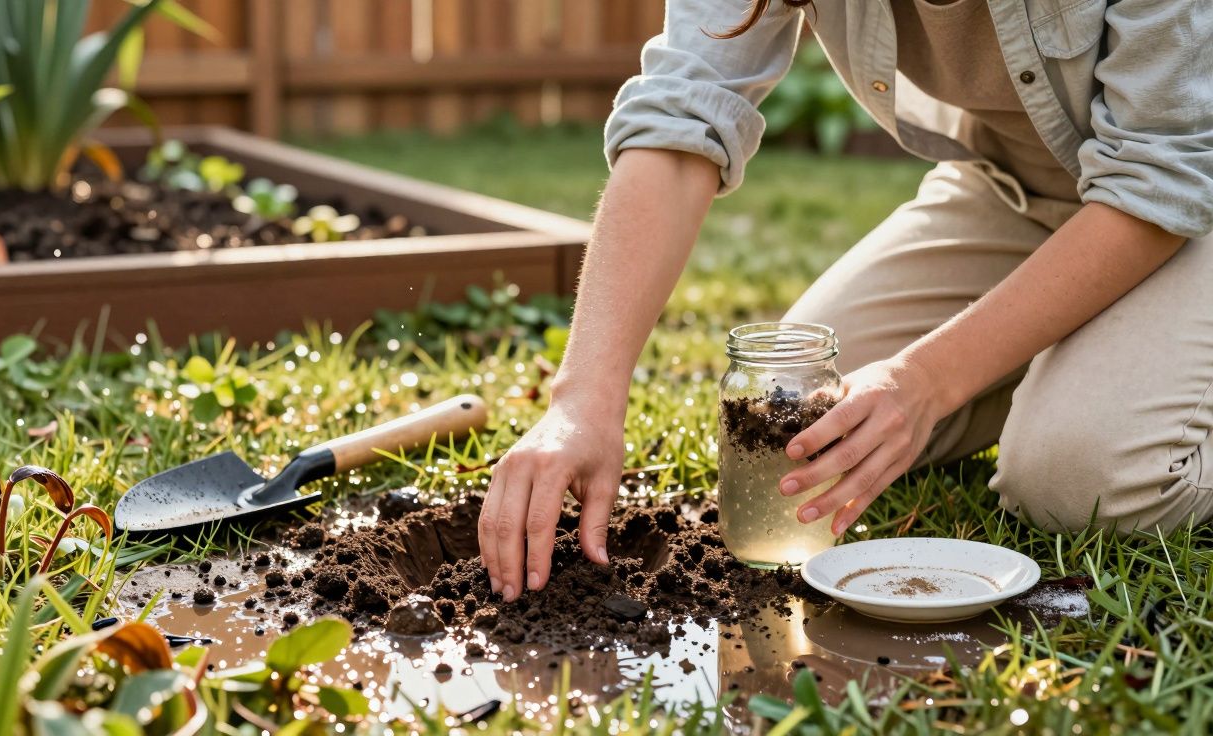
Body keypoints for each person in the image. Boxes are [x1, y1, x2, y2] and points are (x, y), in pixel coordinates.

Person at [479, 0, 1213, 602]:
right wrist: (583, 397)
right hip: (1019, 191)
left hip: (1188, 206)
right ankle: (1083, 357)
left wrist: (927, 381)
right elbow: (681, 115)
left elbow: (1160, 175)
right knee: (804, 409)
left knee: (1077, 481)